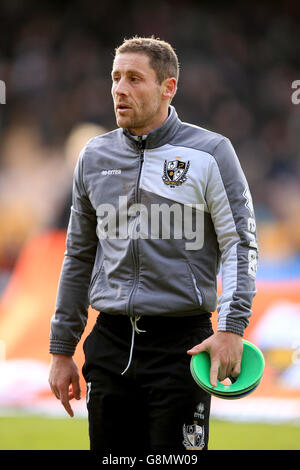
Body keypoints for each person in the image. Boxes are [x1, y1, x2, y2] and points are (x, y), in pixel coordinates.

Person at [48, 36, 258, 454]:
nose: (120, 89)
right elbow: (78, 256)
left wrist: (233, 327)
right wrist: (62, 348)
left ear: (169, 88)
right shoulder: (93, 155)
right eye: (115, 78)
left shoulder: (212, 153)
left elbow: (240, 243)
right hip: (108, 343)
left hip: (181, 345)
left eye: (134, 79)